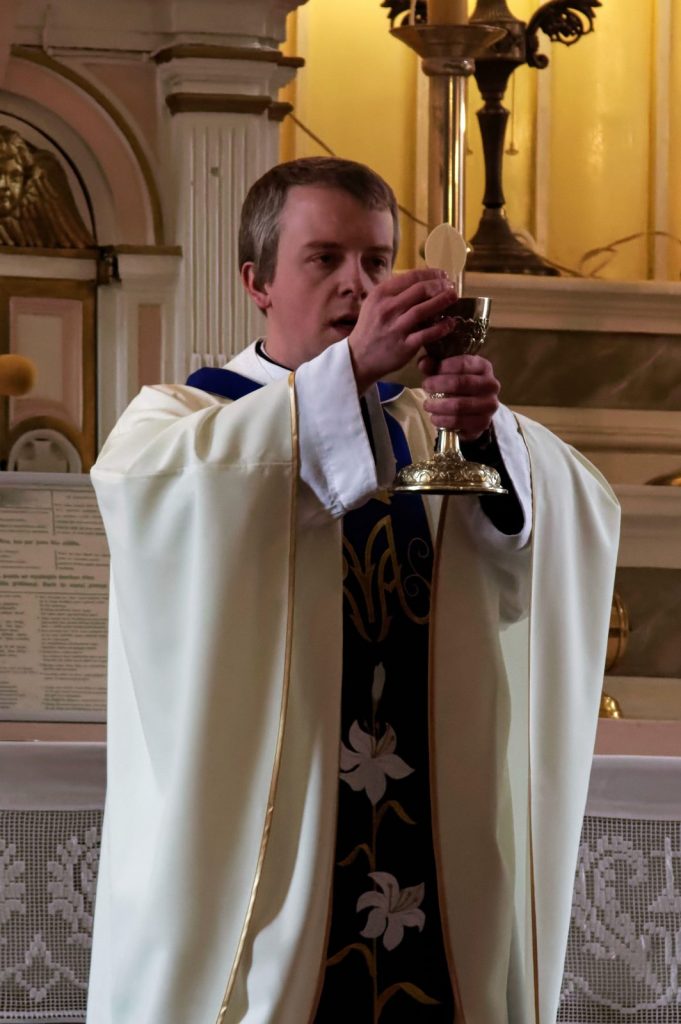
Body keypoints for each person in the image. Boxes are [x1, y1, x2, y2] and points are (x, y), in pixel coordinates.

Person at [87, 157, 620, 1024]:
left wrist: (488, 438)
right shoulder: (180, 421)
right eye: (324, 259)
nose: (357, 284)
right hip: (279, 852)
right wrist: (344, 378)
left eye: (376, 261)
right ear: (256, 282)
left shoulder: (425, 426)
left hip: (430, 841)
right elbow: (156, 499)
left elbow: (548, 536)